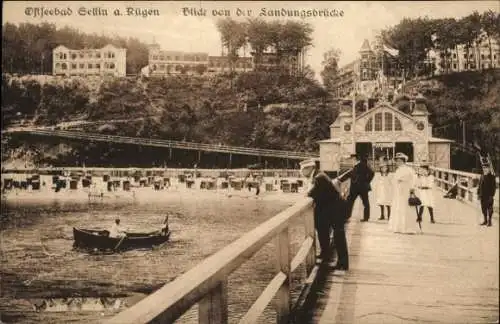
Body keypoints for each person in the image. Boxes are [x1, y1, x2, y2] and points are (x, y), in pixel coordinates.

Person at [302, 159, 349, 269]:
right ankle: (326, 255)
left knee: (338, 236)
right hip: (332, 209)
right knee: (324, 230)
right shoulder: (319, 175)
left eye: (303, 170)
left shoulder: (319, 178)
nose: (301, 172)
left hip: (335, 210)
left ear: (310, 168)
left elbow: (311, 193)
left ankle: (342, 263)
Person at [388, 153, 419, 234]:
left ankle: (408, 228)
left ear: (403, 161)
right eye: (397, 161)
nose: (397, 162)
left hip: (406, 190)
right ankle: (398, 227)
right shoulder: (398, 170)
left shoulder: (409, 169)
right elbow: (394, 180)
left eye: (399, 161)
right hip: (398, 191)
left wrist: (412, 189)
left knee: (406, 208)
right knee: (398, 207)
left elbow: (414, 179)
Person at [345, 154, 375, 222]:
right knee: (350, 201)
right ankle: (347, 216)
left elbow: (372, 173)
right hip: (355, 188)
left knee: (364, 202)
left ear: (355, 159)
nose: (350, 160)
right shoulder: (355, 166)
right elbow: (349, 175)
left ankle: (366, 218)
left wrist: (367, 181)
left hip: (362, 187)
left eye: (351, 159)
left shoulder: (363, 164)